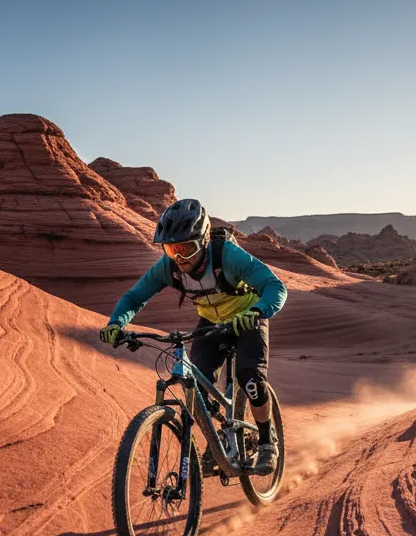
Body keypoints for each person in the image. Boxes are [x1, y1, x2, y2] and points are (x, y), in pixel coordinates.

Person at [99, 199, 287, 474]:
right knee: (198, 388)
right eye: (171, 249)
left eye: (186, 248)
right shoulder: (168, 267)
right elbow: (135, 297)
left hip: (247, 317)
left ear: (204, 241)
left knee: (250, 379)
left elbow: (275, 286)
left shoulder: (228, 256)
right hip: (211, 323)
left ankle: (267, 441)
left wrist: (257, 311)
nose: (179, 257)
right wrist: (116, 323)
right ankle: (220, 440)